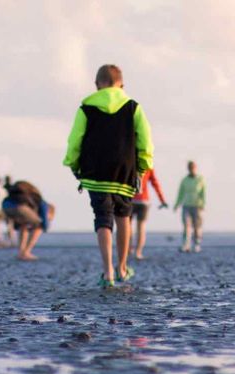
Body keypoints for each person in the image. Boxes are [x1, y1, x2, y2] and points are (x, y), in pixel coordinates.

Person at [64, 64, 154, 288]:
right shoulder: (134, 107)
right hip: (125, 171)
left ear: (97, 85)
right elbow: (145, 142)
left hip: (95, 172)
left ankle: (108, 272)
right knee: (124, 217)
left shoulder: (86, 107)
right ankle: (122, 267)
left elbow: (75, 141)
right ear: (121, 85)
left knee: (103, 218)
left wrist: (73, 164)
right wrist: (142, 168)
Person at [2, 180, 53, 261]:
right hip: (18, 207)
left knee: (24, 225)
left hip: (5, 206)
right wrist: (45, 226)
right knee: (39, 226)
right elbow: (44, 218)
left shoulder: (26, 196)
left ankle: (21, 253)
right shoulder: (42, 203)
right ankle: (26, 252)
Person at [131, 168, 168, 260]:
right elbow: (155, 184)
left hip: (130, 199)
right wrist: (162, 199)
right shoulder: (148, 166)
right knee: (141, 227)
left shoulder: (130, 162)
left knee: (127, 226)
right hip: (144, 200)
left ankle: (128, 249)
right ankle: (138, 252)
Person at [174, 161, 206, 254]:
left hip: (197, 205)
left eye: (193, 167)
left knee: (197, 226)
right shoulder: (184, 180)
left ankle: (197, 244)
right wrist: (177, 204)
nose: (191, 169)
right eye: (190, 167)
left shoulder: (200, 179)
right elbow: (180, 193)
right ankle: (186, 245)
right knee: (186, 226)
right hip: (186, 205)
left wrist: (203, 204)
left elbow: (203, 193)